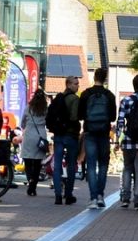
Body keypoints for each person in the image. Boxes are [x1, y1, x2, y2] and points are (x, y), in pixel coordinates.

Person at [78, 67, 117, 209]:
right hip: (104, 133)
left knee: (91, 165)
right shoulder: (110, 95)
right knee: (103, 165)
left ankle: (93, 198)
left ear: (94, 77)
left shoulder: (86, 94)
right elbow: (113, 117)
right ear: (105, 78)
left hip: (89, 132)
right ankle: (100, 195)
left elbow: (80, 115)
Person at [115, 74, 138, 209]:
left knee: (127, 168)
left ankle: (125, 198)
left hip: (128, 140)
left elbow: (121, 121)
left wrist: (118, 139)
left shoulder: (126, 100)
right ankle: (137, 201)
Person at [47, 76, 81, 205]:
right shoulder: (74, 99)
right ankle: (68, 194)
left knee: (57, 165)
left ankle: (57, 195)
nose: (77, 86)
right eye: (75, 84)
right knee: (71, 165)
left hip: (58, 135)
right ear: (68, 84)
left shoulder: (58, 98)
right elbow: (74, 117)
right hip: (70, 135)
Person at [19, 90, 49, 196]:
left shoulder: (28, 108)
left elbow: (22, 122)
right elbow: (48, 123)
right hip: (40, 135)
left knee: (27, 161)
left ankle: (30, 181)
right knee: (37, 164)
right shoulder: (45, 109)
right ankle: (33, 186)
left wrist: (25, 127)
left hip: (29, 135)